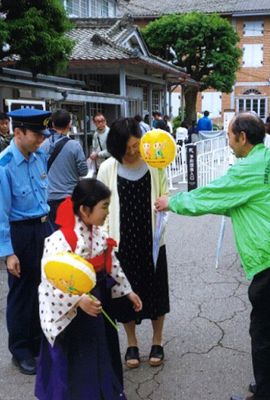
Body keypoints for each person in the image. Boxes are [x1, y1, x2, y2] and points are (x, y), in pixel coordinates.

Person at [155, 112, 270, 400]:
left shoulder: (247, 169)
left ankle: (265, 392)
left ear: (241, 137)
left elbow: (212, 194)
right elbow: (237, 202)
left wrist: (172, 202)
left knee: (262, 330)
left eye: (228, 136)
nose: (227, 142)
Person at [35, 179, 142, 400]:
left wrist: (128, 290)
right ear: (84, 209)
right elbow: (51, 280)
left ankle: (105, 393)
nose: (106, 212)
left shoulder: (100, 235)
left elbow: (111, 263)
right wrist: (78, 300)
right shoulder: (60, 240)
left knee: (104, 349)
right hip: (75, 312)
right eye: (103, 206)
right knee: (78, 360)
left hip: (99, 301)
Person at [97, 117, 170, 369]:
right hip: (121, 244)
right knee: (124, 295)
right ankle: (131, 343)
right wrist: (104, 240)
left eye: (136, 145)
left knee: (155, 292)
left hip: (151, 241)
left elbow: (165, 193)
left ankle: (157, 340)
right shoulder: (108, 168)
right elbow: (101, 205)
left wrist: (164, 203)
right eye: (126, 147)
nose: (131, 151)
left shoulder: (155, 163)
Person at [0, 108, 54, 375]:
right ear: (18, 132)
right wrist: (8, 253)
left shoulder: (40, 158)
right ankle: (21, 350)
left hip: (43, 228)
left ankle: (39, 343)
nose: (42, 139)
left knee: (45, 289)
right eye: (37, 134)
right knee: (22, 294)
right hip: (20, 233)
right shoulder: (1, 167)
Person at [40, 109, 87, 224]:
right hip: (69, 198)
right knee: (69, 234)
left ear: (53, 125)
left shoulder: (43, 145)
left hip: (49, 197)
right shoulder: (75, 146)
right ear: (69, 125)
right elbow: (83, 171)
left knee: (53, 234)